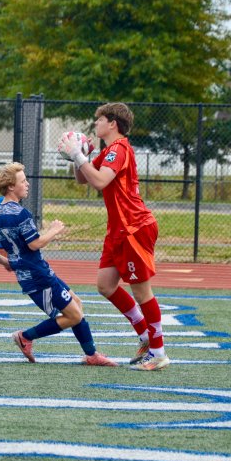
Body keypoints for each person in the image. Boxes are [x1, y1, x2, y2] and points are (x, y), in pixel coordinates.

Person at [58, 102, 170, 371]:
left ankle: (158, 353)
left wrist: (79, 155)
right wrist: (79, 157)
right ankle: (145, 337)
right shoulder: (109, 150)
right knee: (106, 285)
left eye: (99, 120)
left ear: (113, 124)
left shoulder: (118, 149)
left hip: (134, 227)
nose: (95, 124)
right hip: (119, 230)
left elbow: (99, 181)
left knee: (142, 292)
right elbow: (84, 179)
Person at [0, 161, 116, 367]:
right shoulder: (21, 214)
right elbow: (35, 244)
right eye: (23, 181)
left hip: (31, 275)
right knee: (74, 315)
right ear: (11, 186)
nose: (27, 184)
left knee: (76, 304)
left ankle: (91, 354)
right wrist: (54, 230)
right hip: (38, 275)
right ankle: (26, 336)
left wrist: (6, 262)